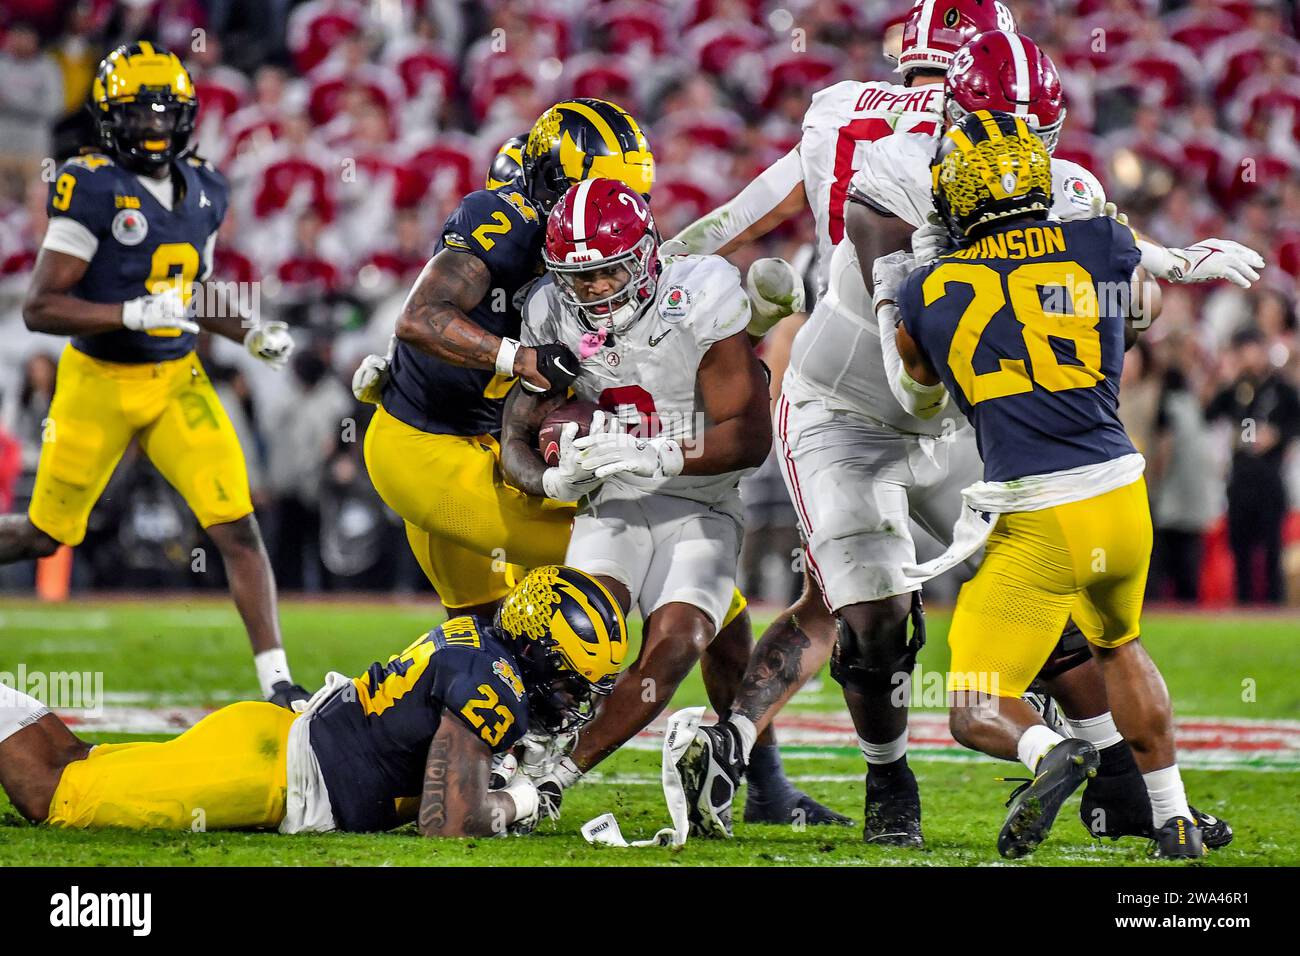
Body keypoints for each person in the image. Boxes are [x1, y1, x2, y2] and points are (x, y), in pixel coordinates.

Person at [674, 19, 1251, 848]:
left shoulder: (1058, 179)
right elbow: (900, 355)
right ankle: (889, 783)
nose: (1026, 151)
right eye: (1008, 130)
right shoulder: (899, 167)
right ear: (950, 112)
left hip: (949, 418)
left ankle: (1121, 789)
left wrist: (1168, 265)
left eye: (1039, 134)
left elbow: (1118, 266)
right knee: (874, 618)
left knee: (1052, 612)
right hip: (849, 412)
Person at [354, 109, 833, 822]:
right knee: (633, 608)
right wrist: (518, 379)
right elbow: (424, 316)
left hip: (479, 440)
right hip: (437, 449)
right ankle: (737, 781)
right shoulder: (505, 221)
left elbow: (651, 341)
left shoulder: (603, 257)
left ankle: (463, 783)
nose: (622, 210)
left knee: (487, 630)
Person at [883, 109, 1209, 859]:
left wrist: (911, 286)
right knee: (1119, 643)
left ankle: (1048, 752)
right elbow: (1145, 308)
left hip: (1041, 516)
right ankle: (1175, 817)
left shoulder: (927, 290)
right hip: (1123, 498)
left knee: (973, 706)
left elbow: (921, 387)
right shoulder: (1101, 242)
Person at [0, 43, 306, 708]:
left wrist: (251, 328)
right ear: (111, 119)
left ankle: (279, 681)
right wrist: (128, 311)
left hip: (175, 380)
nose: (154, 128)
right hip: (97, 381)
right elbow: (41, 307)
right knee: (42, 533)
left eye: (165, 115)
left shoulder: (204, 186)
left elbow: (194, 289)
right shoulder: (91, 185)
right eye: (139, 116)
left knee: (236, 524)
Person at [496, 179, 781, 830]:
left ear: (648, 254)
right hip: (615, 498)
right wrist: (549, 483)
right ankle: (517, 760)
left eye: (608, 271)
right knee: (571, 639)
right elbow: (515, 432)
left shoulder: (697, 293)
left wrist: (669, 453)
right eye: (581, 277)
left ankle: (559, 778)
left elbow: (750, 435)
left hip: (700, 501)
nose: (595, 289)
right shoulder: (552, 312)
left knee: (678, 642)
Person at [0, 565, 625, 838]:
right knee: (57, 795)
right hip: (271, 777)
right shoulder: (497, 685)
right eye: (571, 681)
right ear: (540, 654)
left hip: (276, 745)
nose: (573, 702)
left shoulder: (485, 644)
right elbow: (448, 825)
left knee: (83, 762)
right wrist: (520, 801)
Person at [1206, 327, 1300, 604]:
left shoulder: (1281, 389)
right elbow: (1209, 412)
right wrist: (1221, 378)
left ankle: (1274, 606)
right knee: (1241, 549)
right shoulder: (1235, 388)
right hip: (1241, 477)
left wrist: (1277, 435)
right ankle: (1243, 605)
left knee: (1272, 548)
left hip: (1269, 476)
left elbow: (1296, 422)